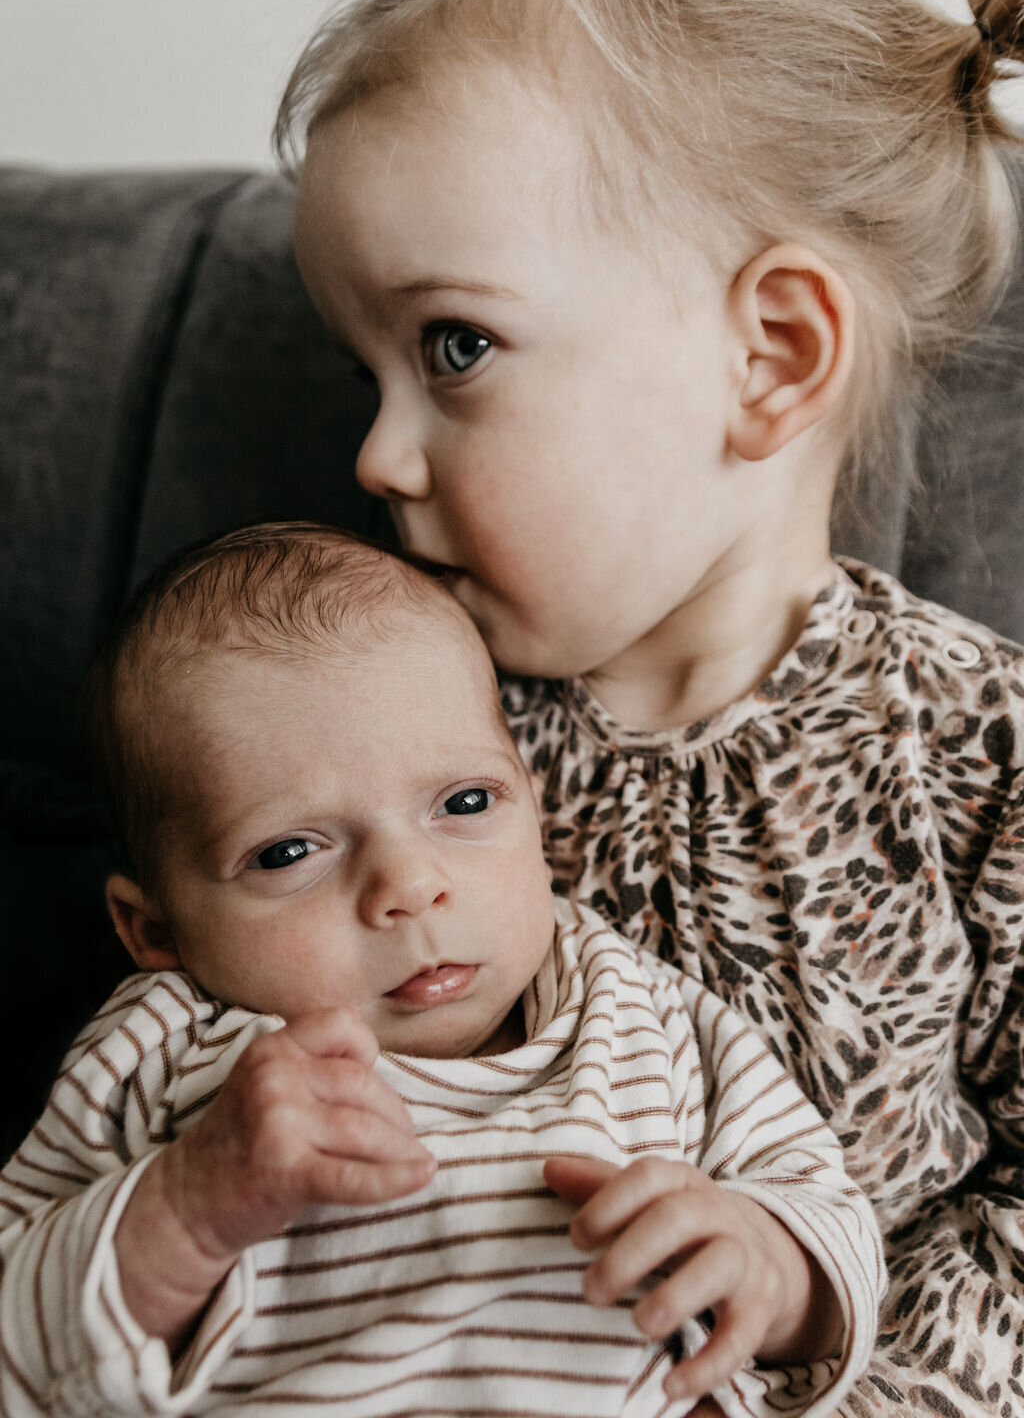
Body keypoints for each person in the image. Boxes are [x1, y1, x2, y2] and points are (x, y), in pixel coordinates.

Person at [272, 0, 1024, 1416]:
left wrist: (838, 1346)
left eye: (454, 349)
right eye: (365, 370)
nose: (375, 456)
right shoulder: (377, 717)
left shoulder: (975, 756)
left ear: (772, 357)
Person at [0, 522, 883, 1418]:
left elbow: (831, 1214)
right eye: (289, 852)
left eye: (463, 803)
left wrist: (764, 1264)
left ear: (534, 809)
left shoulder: (633, 1002)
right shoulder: (163, 1049)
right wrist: (186, 1209)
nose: (409, 886)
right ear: (157, 930)